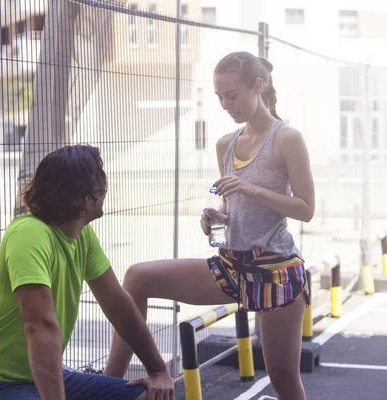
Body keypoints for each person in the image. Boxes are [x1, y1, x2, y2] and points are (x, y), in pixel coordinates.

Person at [104, 51, 315, 400]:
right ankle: (108, 388)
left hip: (274, 270)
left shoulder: (287, 138)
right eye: (219, 97)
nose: (225, 105)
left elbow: (306, 209)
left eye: (232, 96)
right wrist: (216, 216)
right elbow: (234, 205)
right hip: (232, 264)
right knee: (137, 277)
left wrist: (251, 188)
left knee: (284, 380)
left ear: (257, 87)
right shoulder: (226, 144)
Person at [0, 145, 175, 400]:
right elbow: (40, 326)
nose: (105, 187)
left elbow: (118, 305)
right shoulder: (29, 234)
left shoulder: (81, 236)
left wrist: (157, 370)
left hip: (42, 376)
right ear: (87, 197)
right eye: (100, 178)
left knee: (153, 396)